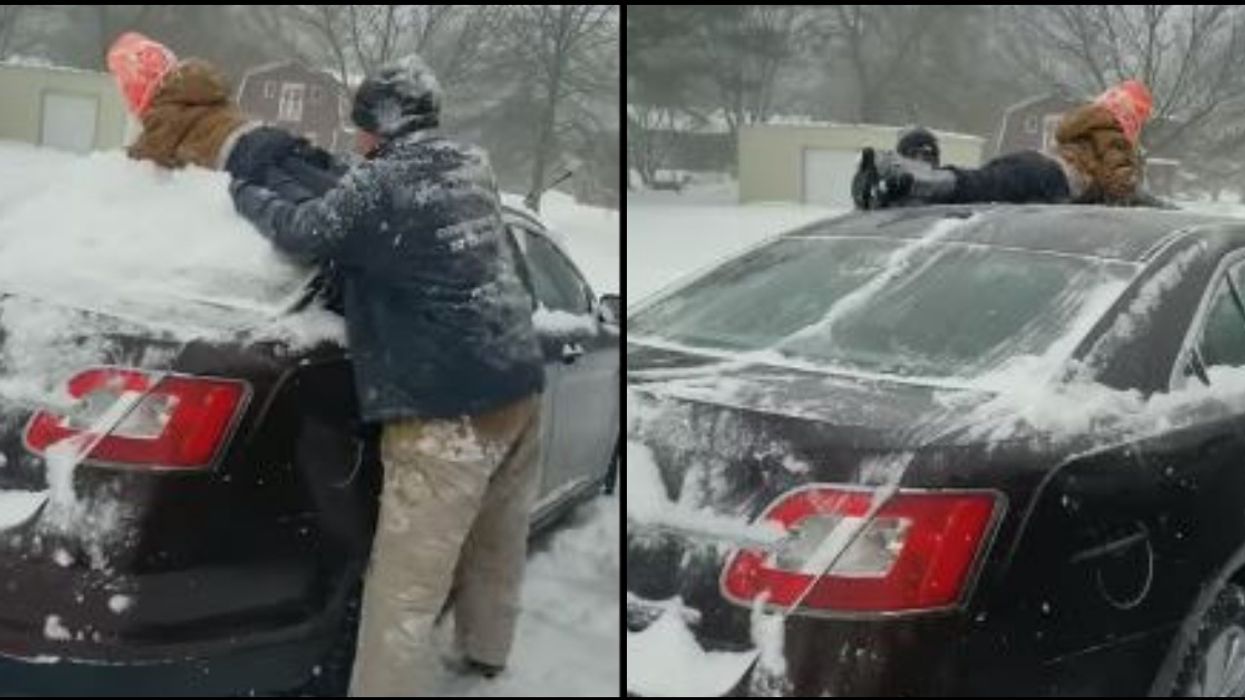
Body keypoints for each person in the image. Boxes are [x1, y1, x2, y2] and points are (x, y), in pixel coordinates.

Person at [222, 55, 546, 697]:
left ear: (380, 125)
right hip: (520, 384)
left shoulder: (382, 186)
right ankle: (485, 651)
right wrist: (318, 165)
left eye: (360, 126)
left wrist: (245, 189)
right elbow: (373, 190)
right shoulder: (469, 164)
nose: (357, 140)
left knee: (406, 585)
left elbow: (302, 231)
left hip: (448, 408)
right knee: (495, 541)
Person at [854, 80, 1171, 209]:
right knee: (982, 187)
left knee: (981, 189)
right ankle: (907, 181)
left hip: (1043, 171)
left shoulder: (1089, 135)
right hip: (1054, 179)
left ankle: (912, 183)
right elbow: (1128, 192)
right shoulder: (1115, 141)